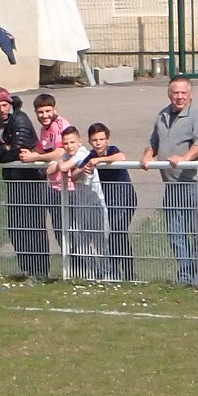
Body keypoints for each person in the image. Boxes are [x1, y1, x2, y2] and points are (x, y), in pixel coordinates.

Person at [140, 76, 198, 285]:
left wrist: (185, 158)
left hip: (194, 183)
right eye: (175, 93)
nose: (179, 97)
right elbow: (153, 141)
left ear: (190, 94)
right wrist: (147, 156)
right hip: (171, 185)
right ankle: (184, 276)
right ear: (169, 94)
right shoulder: (162, 115)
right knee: (175, 231)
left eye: (183, 93)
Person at [0, 87, 49, 278]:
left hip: (32, 178)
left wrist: (2, 154)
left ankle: (40, 271)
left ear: (10, 104)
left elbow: (19, 150)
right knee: (16, 227)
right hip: (12, 179)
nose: (2, 110)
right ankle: (25, 269)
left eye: (5, 105)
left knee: (34, 226)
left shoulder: (20, 119)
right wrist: (4, 150)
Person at [50, 126, 106, 279]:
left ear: (79, 142)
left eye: (72, 142)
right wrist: (60, 161)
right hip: (81, 204)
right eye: (65, 143)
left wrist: (60, 162)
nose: (69, 146)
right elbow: (49, 171)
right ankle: (95, 273)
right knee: (81, 244)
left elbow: (64, 167)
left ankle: (108, 273)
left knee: (99, 241)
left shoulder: (82, 153)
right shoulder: (67, 155)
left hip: (95, 203)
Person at [83, 123, 136, 281]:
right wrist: (84, 169)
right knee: (120, 234)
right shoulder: (91, 155)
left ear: (107, 140)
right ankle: (125, 273)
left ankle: (116, 271)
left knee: (117, 233)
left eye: (101, 139)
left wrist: (99, 161)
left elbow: (121, 157)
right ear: (90, 141)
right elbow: (80, 167)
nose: (98, 143)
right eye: (95, 140)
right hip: (110, 199)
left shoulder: (112, 150)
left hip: (125, 196)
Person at [19, 92, 71, 255]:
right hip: (54, 186)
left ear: (55, 109)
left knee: (71, 233)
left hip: (68, 187)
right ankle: (70, 267)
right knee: (60, 232)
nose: (44, 115)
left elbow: (61, 152)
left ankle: (82, 266)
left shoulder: (60, 125)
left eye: (48, 111)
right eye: (40, 112)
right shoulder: (44, 129)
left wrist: (34, 157)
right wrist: (29, 153)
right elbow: (41, 149)